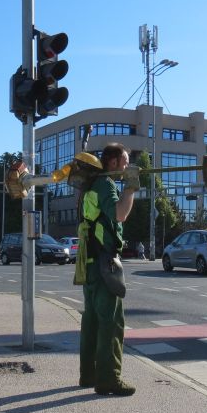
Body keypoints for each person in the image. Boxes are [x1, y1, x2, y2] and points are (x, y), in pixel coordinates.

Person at [78, 143, 139, 396]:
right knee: (111, 322)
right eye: (124, 162)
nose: (125, 167)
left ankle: (88, 374)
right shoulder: (105, 184)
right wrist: (131, 187)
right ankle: (108, 379)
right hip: (105, 263)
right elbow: (120, 214)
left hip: (91, 263)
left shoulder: (91, 185)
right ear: (112, 162)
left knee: (91, 320)